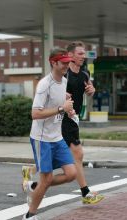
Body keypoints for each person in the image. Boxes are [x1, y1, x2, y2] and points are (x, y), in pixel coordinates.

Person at [22, 48, 77, 220]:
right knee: (47, 180)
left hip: (57, 137)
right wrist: (61, 108)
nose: (67, 65)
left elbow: (60, 100)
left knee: (71, 174)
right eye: (64, 63)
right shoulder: (44, 84)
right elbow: (35, 114)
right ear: (53, 62)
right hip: (42, 139)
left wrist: (67, 108)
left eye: (69, 62)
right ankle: (29, 215)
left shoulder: (64, 81)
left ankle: (34, 185)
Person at [62, 41, 104, 204]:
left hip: (74, 118)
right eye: (80, 53)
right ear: (70, 55)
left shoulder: (85, 74)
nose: (83, 56)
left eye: (84, 53)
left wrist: (92, 91)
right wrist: (63, 99)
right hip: (63, 119)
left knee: (62, 156)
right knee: (78, 154)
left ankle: (31, 173)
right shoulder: (65, 74)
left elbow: (90, 89)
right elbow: (56, 95)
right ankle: (85, 193)